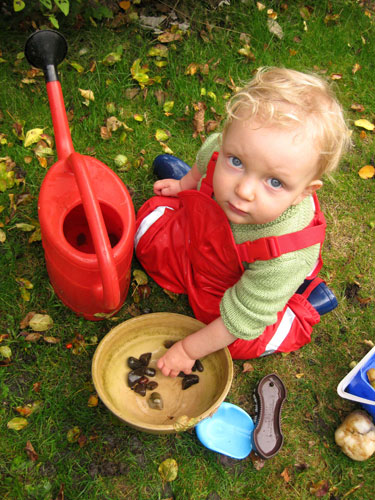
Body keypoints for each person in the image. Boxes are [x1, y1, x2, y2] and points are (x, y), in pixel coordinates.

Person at [134, 67, 350, 377]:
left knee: (240, 340)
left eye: (274, 182)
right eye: (236, 162)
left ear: (304, 192)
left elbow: (241, 318)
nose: (244, 191)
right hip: (203, 245)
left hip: (244, 284)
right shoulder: (219, 150)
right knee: (148, 236)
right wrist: (186, 183)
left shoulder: (284, 256)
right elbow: (207, 155)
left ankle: (307, 304)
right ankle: (197, 185)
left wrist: (188, 349)